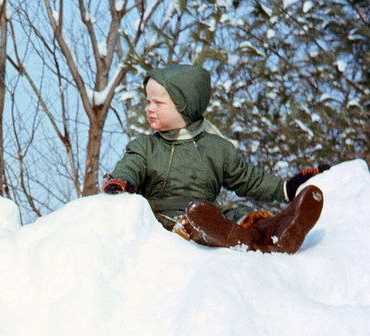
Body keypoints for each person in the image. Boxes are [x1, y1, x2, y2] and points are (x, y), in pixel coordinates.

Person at [103, 64, 328, 253]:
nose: (149, 109)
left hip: (209, 215)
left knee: (240, 215)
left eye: (158, 104)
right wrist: (121, 181)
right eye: (148, 102)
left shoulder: (216, 148)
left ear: (184, 106)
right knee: (193, 219)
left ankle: (279, 231)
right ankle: (236, 237)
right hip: (166, 217)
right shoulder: (145, 147)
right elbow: (130, 165)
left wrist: (286, 188)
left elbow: (248, 178)